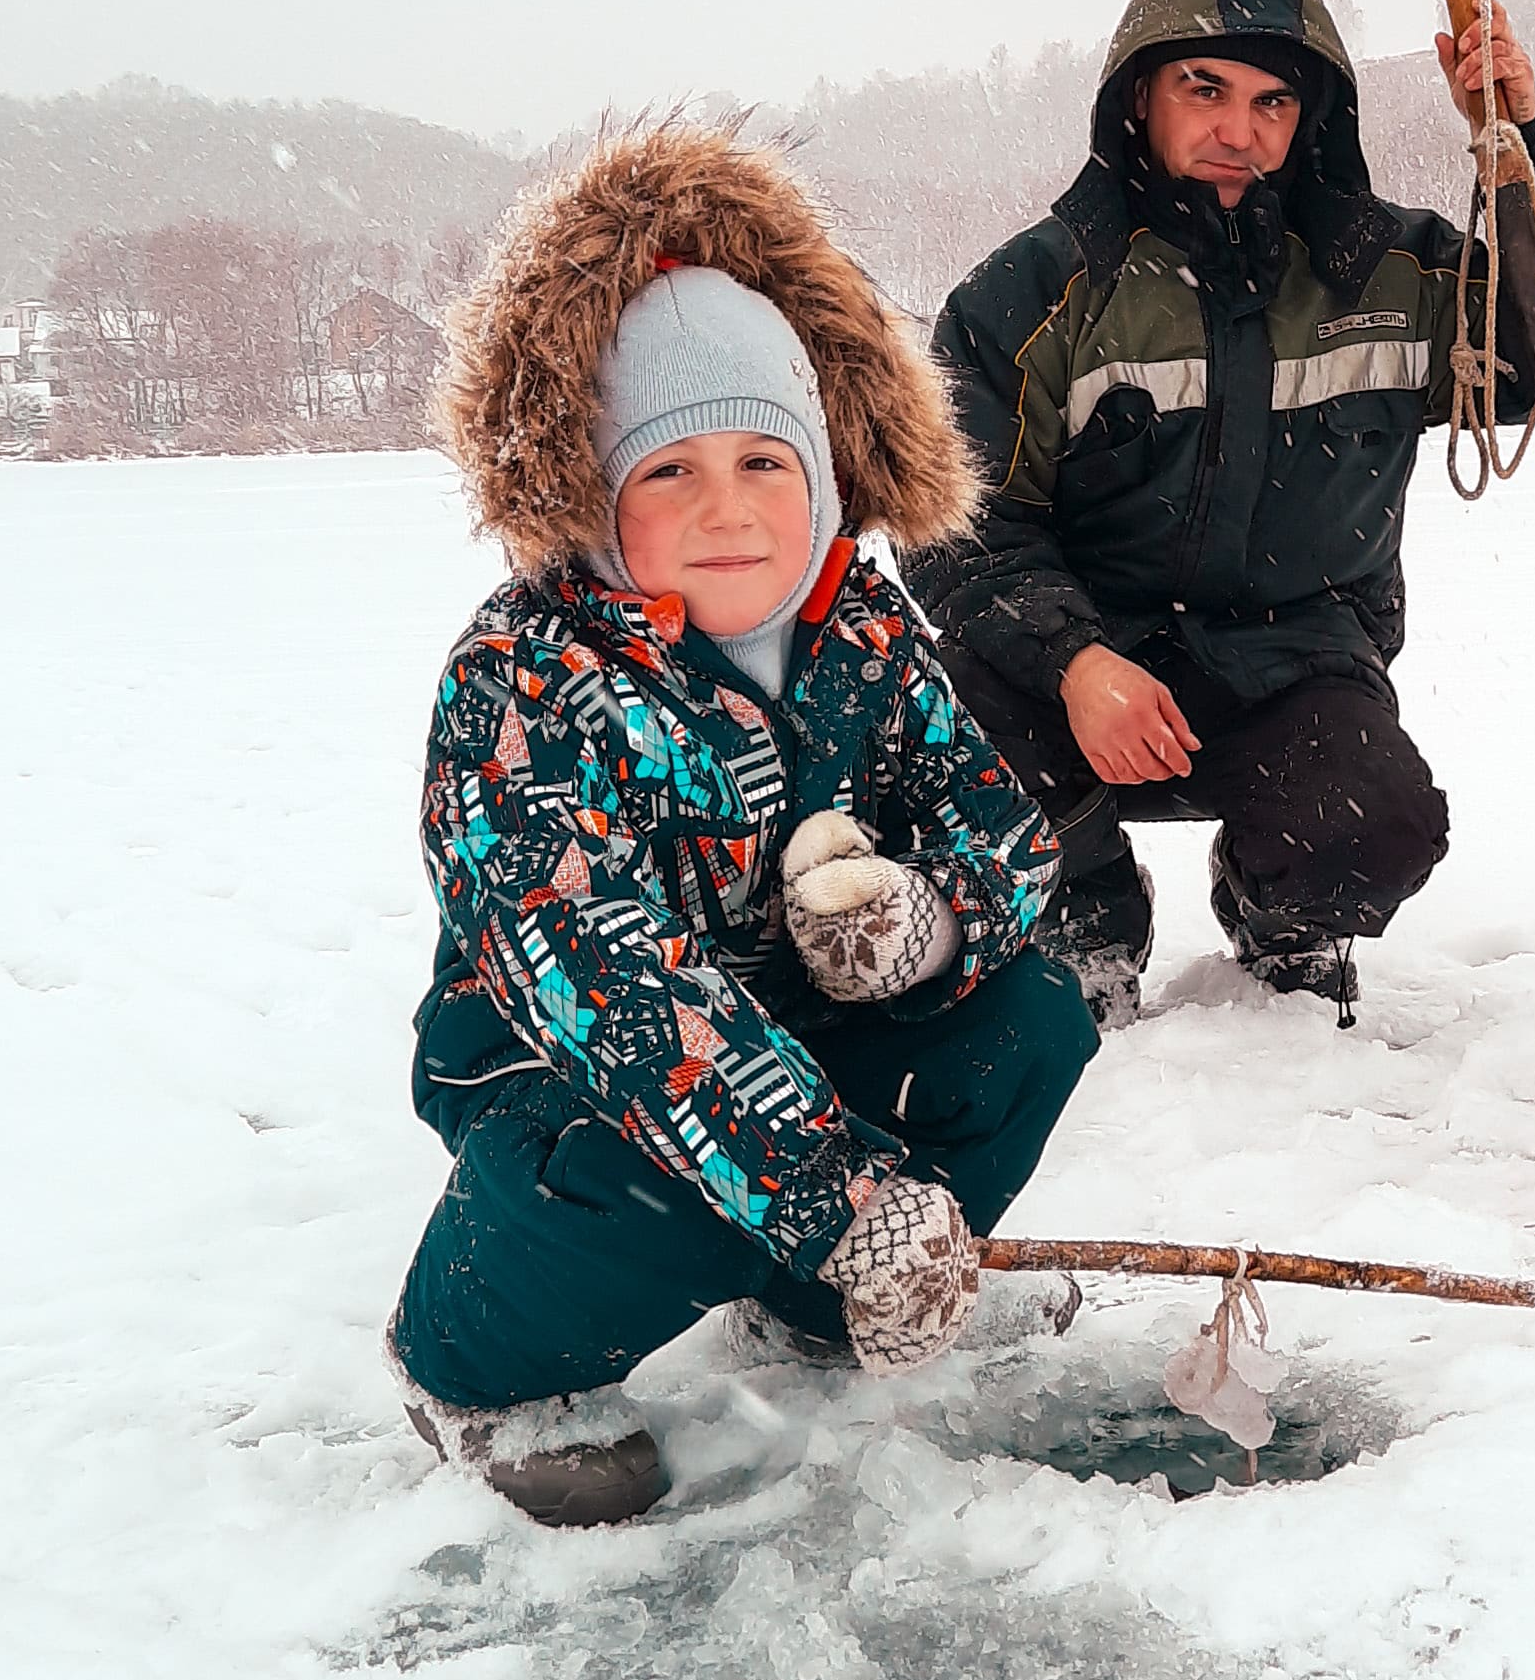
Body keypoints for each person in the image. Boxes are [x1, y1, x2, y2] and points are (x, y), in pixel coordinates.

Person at [385, 118, 1097, 1525]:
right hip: (572, 1071)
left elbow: (1002, 828)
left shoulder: (862, 624)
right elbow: (623, 1005)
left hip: (794, 1034)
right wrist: (846, 1199)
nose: (729, 511)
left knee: (1030, 1025)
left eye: (763, 462)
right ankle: (470, 1365)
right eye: (669, 471)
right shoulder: (522, 684)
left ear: (825, 470)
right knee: (660, 1175)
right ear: (593, 487)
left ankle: (816, 1302)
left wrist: (925, 924)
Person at [913, 0, 1535, 1029]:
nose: (1238, 128)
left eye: (1272, 100)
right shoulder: (1034, 292)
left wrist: (1520, 135)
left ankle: (1276, 913)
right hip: (1079, 675)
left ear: (1312, 114)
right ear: (1139, 94)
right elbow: (954, 524)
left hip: (1293, 670)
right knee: (940, 724)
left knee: (1379, 818)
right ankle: (1084, 920)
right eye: (1206, 88)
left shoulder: (1391, 272)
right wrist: (1077, 660)